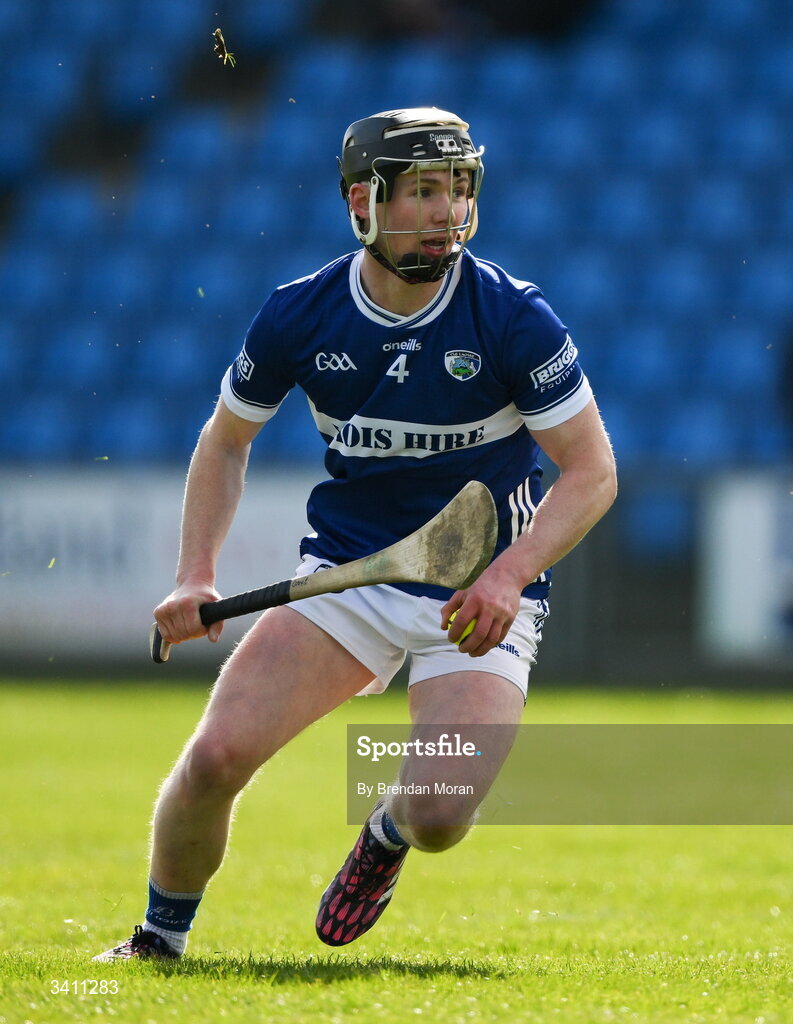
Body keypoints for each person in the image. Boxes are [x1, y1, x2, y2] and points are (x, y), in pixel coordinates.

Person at [93, 107, 616, 960]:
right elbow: (226, 440)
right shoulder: (299, 315)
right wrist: (195, 572)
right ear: (360, 203)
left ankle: (386, 833)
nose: (445, 211)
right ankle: (158, 939)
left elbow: (591, 470)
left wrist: (509, 575)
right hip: (353, 575)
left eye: (455, 189)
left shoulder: (512, 318)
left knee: (440, 815)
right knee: (217, 756)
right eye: (420, 191)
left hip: (480, 595)